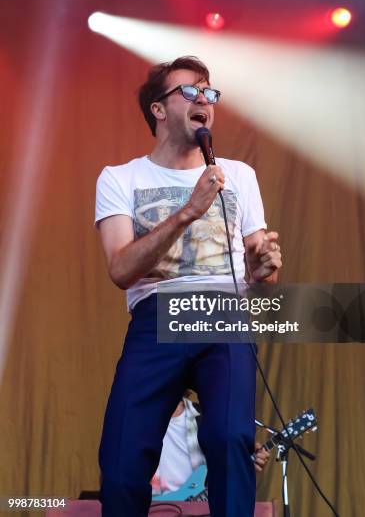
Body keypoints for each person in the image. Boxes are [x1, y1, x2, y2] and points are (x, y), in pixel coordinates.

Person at [95, 55, 282, 517]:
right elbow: (121, 269)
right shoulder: (120, 178)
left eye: (210, 93)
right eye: (190, 92)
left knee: (229, 439)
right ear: (158, 109)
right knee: (122, 459)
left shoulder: (238, 175)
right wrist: (187, 211)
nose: (205, 101)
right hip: (156, 317)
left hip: (223, 313)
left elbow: (263, 271)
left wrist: (264, 266)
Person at [151, 394, 272, 497]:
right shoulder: (136, 419)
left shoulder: (209, 417)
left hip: (197, 509)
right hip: (150, 509)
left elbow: (226, 469)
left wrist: (246, 464)